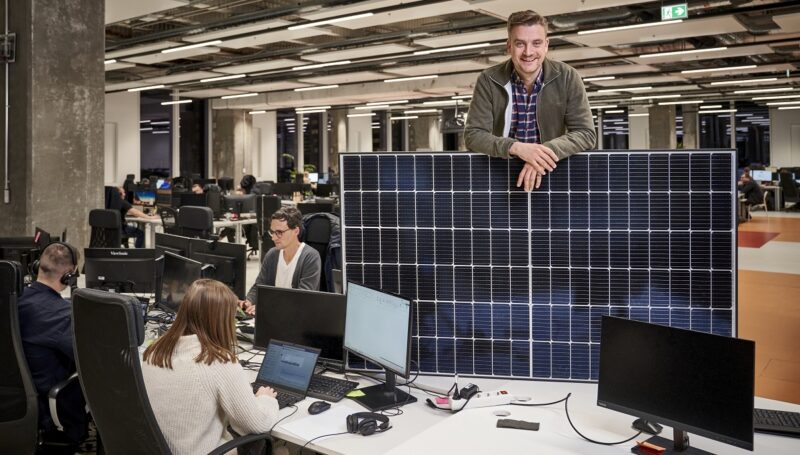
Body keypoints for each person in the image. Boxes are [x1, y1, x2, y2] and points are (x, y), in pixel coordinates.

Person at [141, 279, 281, 455]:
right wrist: (266, 398)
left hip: (162, 448)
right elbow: (255, 424)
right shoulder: (218, 361)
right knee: (281, 449)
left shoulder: (156, 349)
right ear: (222, 321)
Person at [464, 10, 596, 192]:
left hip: (550, 174)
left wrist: (540, 155)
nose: (528, 52)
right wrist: (516, 148)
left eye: (536, 43)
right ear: (509, 46)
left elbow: (586, 133)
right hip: (499, 178)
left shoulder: (567, 77)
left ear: (546, 45)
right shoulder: (488, 79)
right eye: (520, 44)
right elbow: (473, 135)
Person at [17, 242, 88, 447]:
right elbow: (87, 358)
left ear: (38, 265)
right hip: (47, 406)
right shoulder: (60, 316)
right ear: (69, 275)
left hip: (18, 400)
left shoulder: (15, 298)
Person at [240, 207, 320, 315]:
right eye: (272, 232)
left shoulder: (310, 257)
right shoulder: (272, 254)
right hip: (274, 315)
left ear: (296, 231)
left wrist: (266, 307)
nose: (273, 238)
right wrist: (248, 302)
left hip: (298, 318)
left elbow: (301, 298)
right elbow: (259, 286)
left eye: (279, 232)